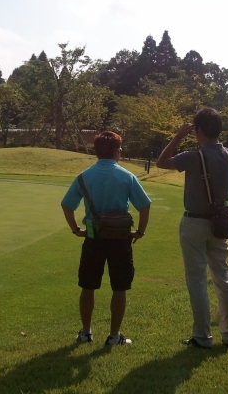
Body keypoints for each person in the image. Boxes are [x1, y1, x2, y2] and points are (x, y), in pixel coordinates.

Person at [156, 107, 228, 348]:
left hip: (194, 221)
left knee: (197, 279)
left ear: (198, 129)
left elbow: (161, 162)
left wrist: (178, 137)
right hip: (220, 221)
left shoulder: (194, 156)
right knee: (223, 278)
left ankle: (203, 335)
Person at [61, 131, 151, 346]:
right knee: (120, 287)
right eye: (120, 149)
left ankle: (85, 333)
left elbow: (67, 205)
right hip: (120, 238)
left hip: (93, 236)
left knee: (88, 286)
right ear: (115, 151)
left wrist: (76, 230)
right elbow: (145, 205)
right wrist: (139, 232)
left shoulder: (84, 176)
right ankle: (114, 335)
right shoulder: (127, 176)